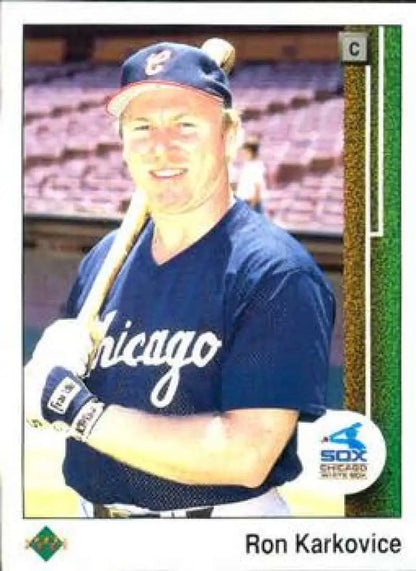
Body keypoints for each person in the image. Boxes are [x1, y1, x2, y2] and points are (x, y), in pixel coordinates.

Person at [25, 39, 336, 518]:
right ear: (123, 143)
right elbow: (55, 394)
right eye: (142, 127)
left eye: (185, 125)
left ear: (229, 137)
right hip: (92, 529)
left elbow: (245, 454)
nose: (161, 147)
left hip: (218, 538)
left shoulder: (275, 271)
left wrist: (81, 413)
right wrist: (50, 367)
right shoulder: (106, 258)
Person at [234, 136, 267, 214]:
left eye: (245, 153)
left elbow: (258, 188)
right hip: (244, 202)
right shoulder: (247, 166)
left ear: (252, 153)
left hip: (251, 203)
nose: (243, 155)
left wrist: (252, 205)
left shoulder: (256, 167)